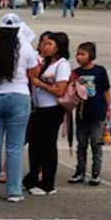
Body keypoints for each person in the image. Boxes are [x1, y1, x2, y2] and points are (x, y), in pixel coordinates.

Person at [0, 13, 39, 202]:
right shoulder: (26, 48)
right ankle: (13, 191)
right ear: (18, 29)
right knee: (14, 147)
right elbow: (34, 73)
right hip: (18, 97)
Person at [24, 30, 71, 196]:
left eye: (50, 44)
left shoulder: (62, 65)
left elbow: (60, 90)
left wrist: (40, 84)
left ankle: (47, 183)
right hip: (39, 109)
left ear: (58, 47)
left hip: (51, 110)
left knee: (48, 146)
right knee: (35, 145)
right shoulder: (46, 63)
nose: (45, 47)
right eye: (45, 44)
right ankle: (32, 178)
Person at [69, 41, 110, 186]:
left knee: (96, 144)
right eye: (78, 54)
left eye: (83, 54)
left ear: (91, 55)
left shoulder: (100, 71)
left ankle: (95, 173)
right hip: (82, 114)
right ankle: (80, 171)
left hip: (97, 113)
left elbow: (105, 90)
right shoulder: (76, 73)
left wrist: (109, 108)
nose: (79, 57)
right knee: (81, 144)